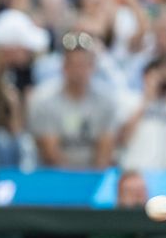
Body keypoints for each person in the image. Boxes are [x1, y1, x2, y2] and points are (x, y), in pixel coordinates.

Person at [27, 31, 118, 169]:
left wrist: (93, 180)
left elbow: (105, 149)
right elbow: (50, 153)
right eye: (74, 65)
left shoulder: (106, 101)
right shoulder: (44, 100)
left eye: (84, 65)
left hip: (94, 175)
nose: (79, 71)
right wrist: (73, 182)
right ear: (64, 67)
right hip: (56, 176)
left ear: (92, 67)